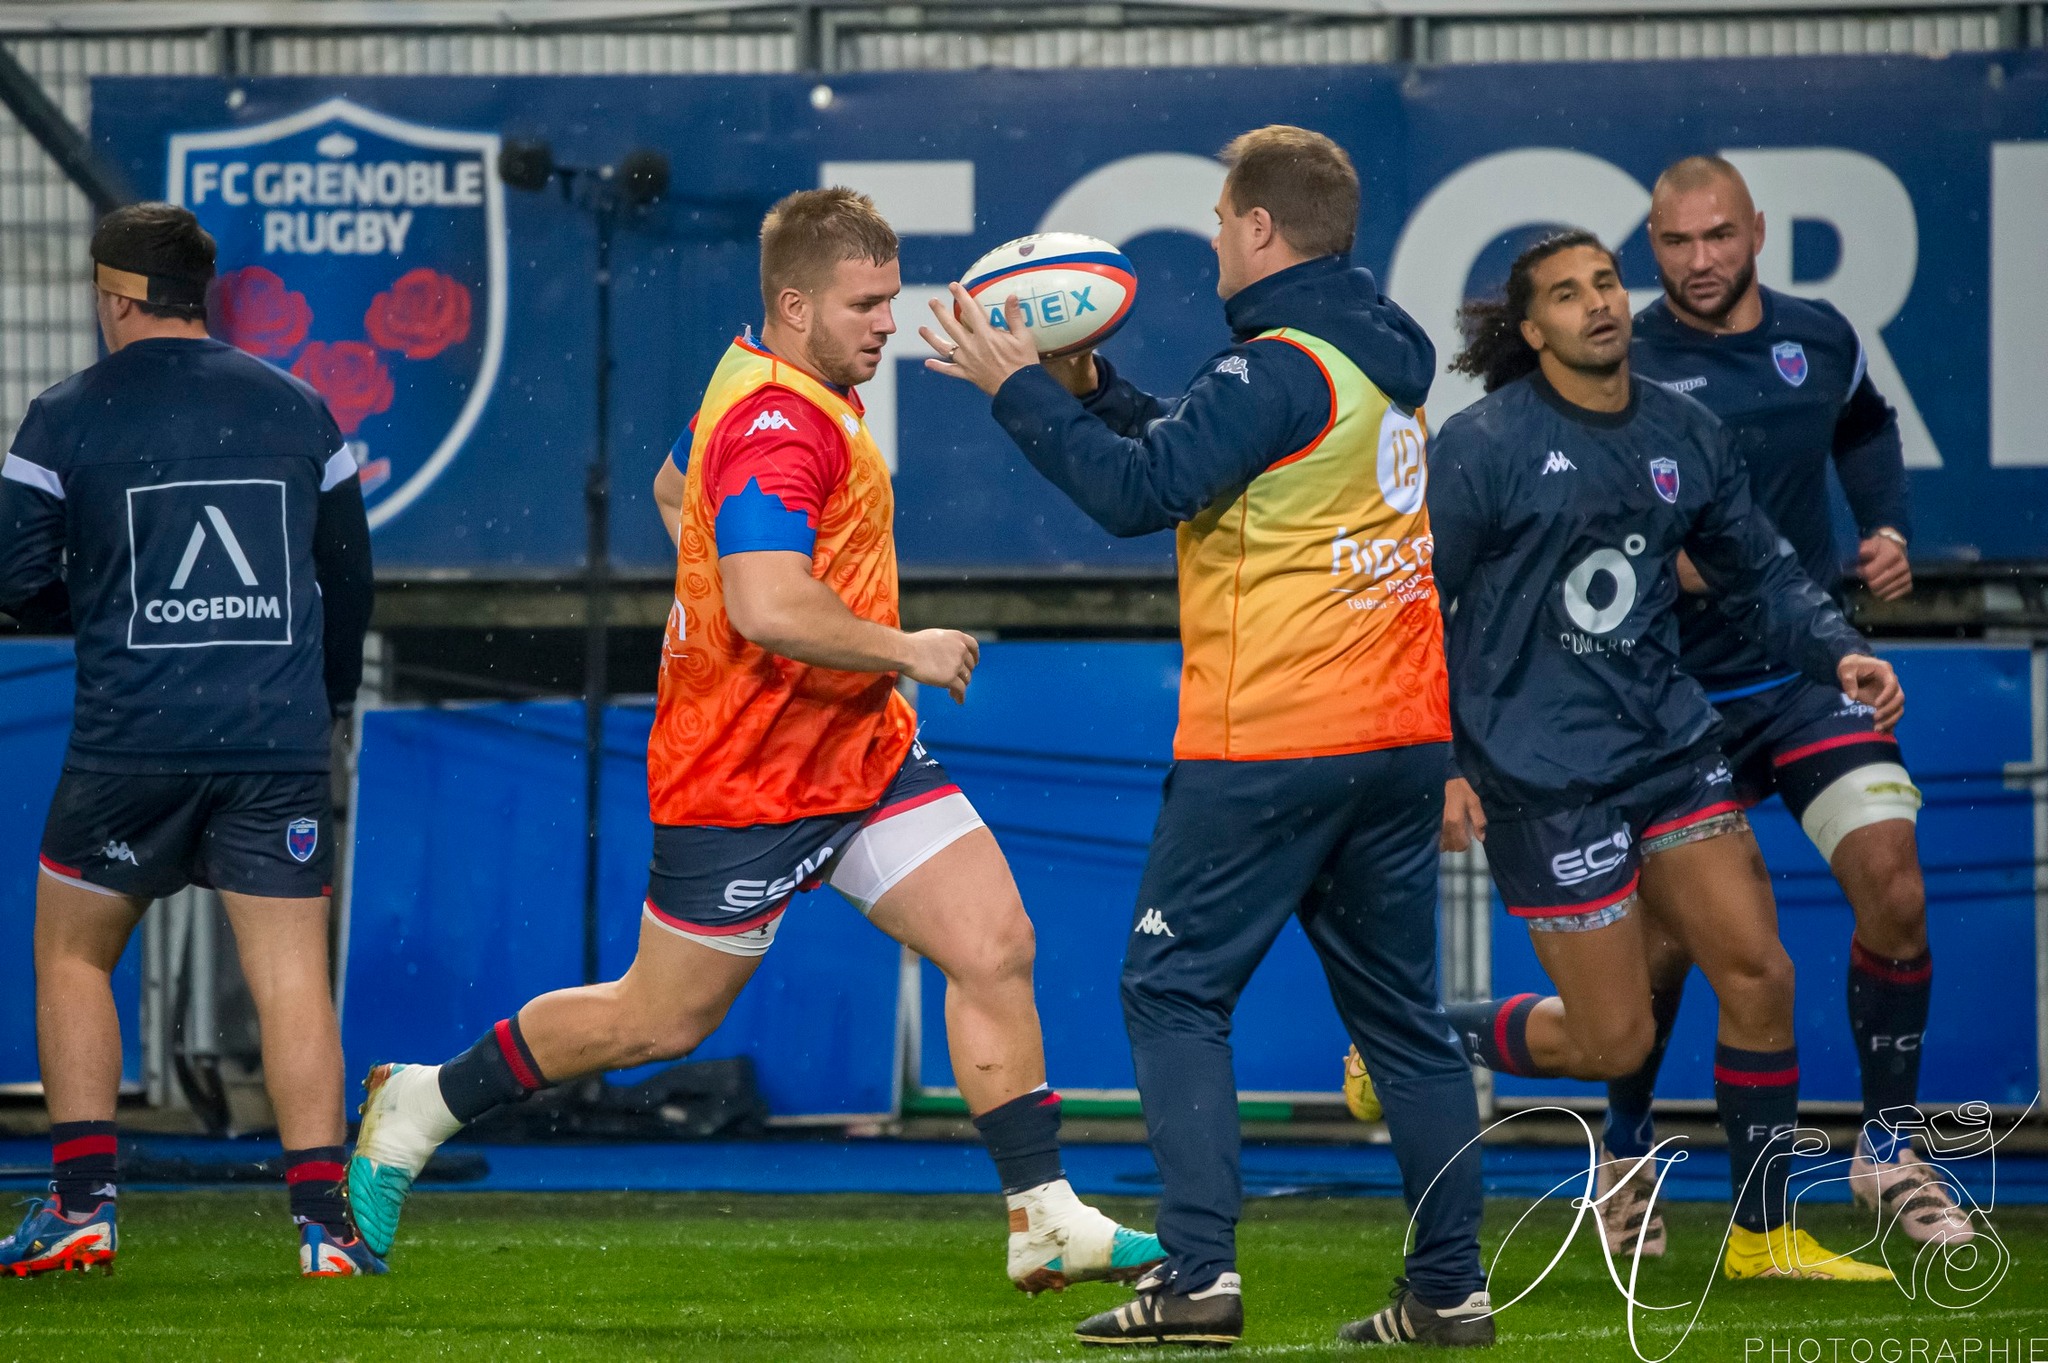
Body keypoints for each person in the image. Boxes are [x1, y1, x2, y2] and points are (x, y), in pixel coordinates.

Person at [346, 188, 1161, 1295]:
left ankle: (1041, 1214)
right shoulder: (778, 423)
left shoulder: (767, 374)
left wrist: (739, 591)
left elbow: (674, 483)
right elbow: (771, 606)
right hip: (744, 778)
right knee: (654, 1021)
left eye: (887, 299)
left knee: (993, 943)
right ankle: (424, 1099)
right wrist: (902, 647)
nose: (887, 322)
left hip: (858, 752)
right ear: (792, 303)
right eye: (864, 304)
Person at [925, 125, 1493, 1349]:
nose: (1213, 245)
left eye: (1219, 221)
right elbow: (1197, 450)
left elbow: (1140, 494)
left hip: (1274, 738)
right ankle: (1450, 1290)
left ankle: (1196, 1279)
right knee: (1402, 1022)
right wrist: (1090, 390)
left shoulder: (1278, 365)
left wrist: (1013, 390)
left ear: (1255, 228)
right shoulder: (1369, 361)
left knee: (1171, 987)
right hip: (1396, 738)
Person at [1421, 230, 1904, 1283]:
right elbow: (1419, 610)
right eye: (1565, 293)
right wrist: (1443, 759)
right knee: (1611, 1042)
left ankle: (1762, 1234)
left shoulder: (1685, 429)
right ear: (1531, 328)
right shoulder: (1481, 443)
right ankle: (1420, 1035)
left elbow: (1760, 575)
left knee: (1757, 971)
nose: (1595, 303)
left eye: (1603, 282)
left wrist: (1839, 653)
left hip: (1669, 747)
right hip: (1541, 776)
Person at [0, 203, 379, 1277]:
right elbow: (346, 576)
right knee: (292, 979)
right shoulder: (300, 406)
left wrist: (98, 601)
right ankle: (325, 1227)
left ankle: (82, 1208)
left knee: (73, 954)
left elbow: (12, 577)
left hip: (130, 743)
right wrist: (328, 698)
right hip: (276, 743)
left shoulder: (65, 416)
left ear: (115, 296)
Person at [1601, 154, 1970, 1254]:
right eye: (1674, 242)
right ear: (1649, 245)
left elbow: (1860, 424)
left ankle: (1887, 1149)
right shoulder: (1619, 361)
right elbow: (1597, 527)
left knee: (1894, 888)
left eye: (1717, 236)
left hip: (1805, 681)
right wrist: (1695, 570)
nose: (1698, 260)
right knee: (1666, 948)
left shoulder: (1820, 335)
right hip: (1671, 699)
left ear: (1756, 229)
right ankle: (1623, 1156)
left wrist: (1886, 524)